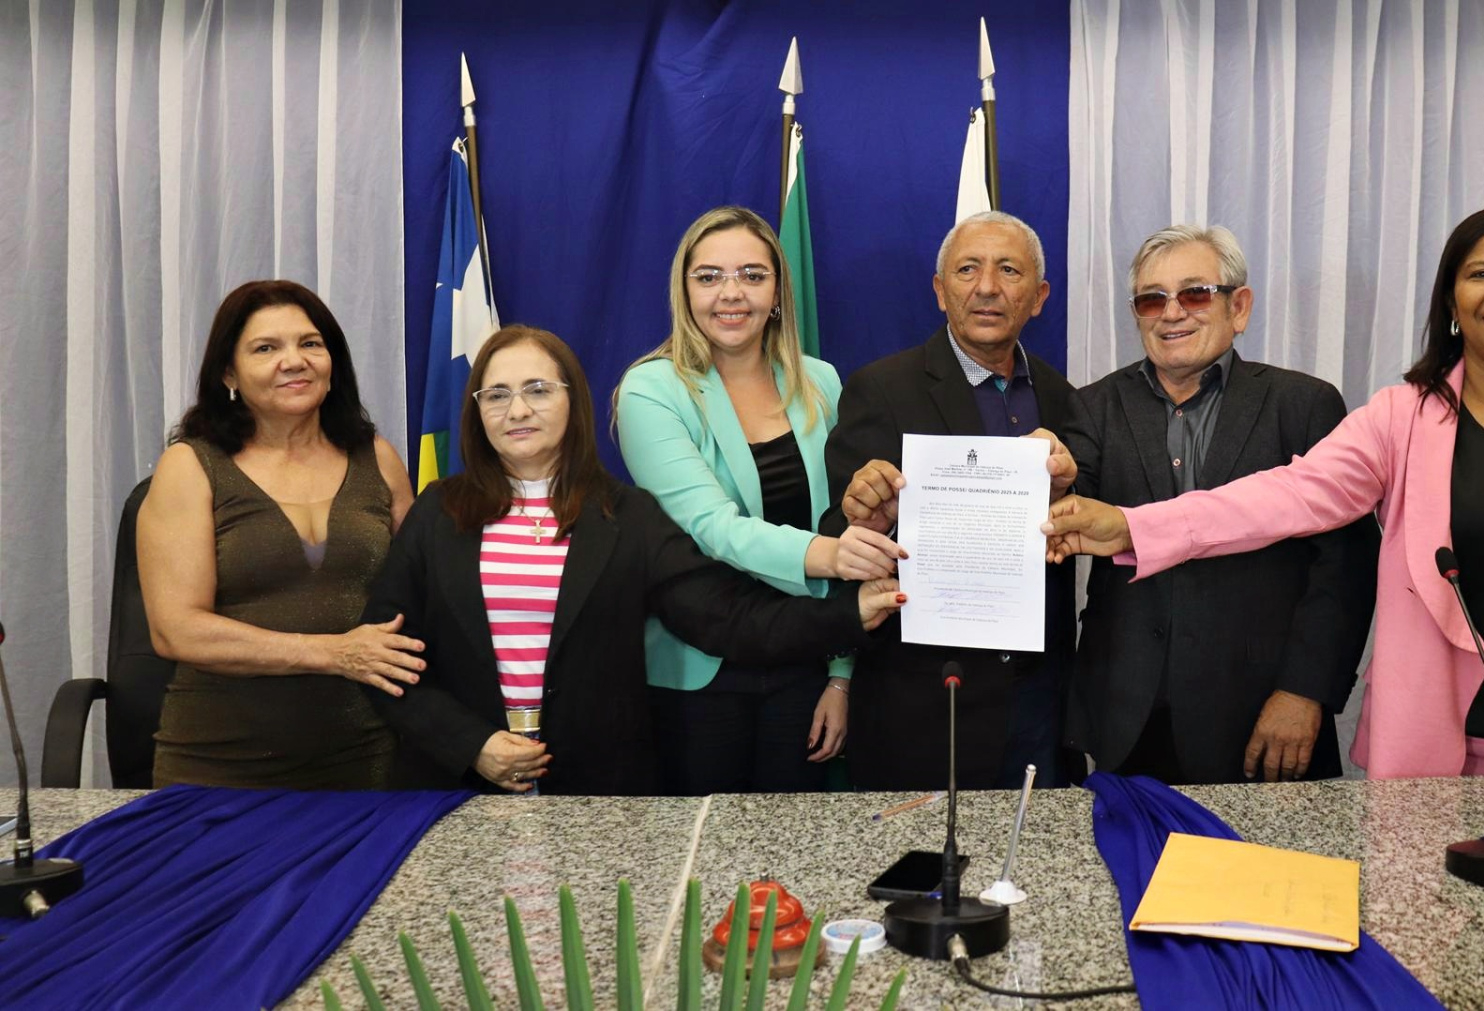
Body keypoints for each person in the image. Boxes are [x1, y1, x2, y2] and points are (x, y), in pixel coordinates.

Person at [1044, 204, 1484, 812]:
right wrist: (1132, 524)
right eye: (1480, 274)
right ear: (1450, 302)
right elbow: (1283, 496)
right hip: (1450, 758)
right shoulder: (1402, 418)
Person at [363, 325, 903, 795]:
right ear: (476, 410)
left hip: (597, 795)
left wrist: (850, 613)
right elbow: (383, 657)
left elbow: (726, 618)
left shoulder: (626, 517)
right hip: (458, 790)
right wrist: (472, 745)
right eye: (496, 395)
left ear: (573, 401)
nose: (518, 410)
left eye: (538, 390)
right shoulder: (438, 512)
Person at [1063, 224, 1379, 785]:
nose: (1171, 313)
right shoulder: (1092, 407)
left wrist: (1304, 691)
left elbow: (1345, 568)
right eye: (1151, 299)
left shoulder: (1302, 404)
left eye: (1195, 293)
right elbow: (1065, 508)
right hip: (1130, 715)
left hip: (1262, 711)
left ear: (1239, 307)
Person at [614, 207, 903, 795]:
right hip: (700, 670)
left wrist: (841, 676)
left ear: (777, 292)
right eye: (709, 276)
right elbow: (712, 527)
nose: (731, 293)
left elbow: (844, 517)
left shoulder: (821, 382)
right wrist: (832, 555)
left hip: (806, 659)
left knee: (796, 842)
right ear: (685, 291)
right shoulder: (650, 390)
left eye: (752, 275)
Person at [823, 210, 1079, 792]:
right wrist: (870, 521)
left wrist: (1069, 493)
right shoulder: (881, 388)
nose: (987, 287)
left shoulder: (1062, 395)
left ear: (1039, 297)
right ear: (941, 291)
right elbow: (837, 529)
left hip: (1039, 698)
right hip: (926, 701)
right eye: (968, 269)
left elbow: (1081, 523)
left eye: (1008, 270)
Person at [138, 280, 419, 789]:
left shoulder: (377, 457)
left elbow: (424, 593)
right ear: (229, 373)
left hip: (368, 757)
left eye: (310, 343)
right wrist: (333, 653)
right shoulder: (190, 466)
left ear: (333, 363)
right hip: (218, 764)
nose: (294, 361)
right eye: (266, 348)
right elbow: (176, 630)